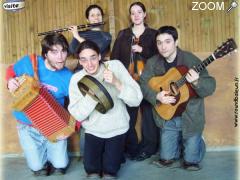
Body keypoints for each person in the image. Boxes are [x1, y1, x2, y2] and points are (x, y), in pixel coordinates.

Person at [139, 26, 216, 170]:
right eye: (159, 42)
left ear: (176, 42)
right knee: (166, 160)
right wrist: (157, 96)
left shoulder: (190, 59)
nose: (163, 46)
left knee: (191, 163)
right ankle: (179, 145)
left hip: (190, 118)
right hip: (167, 117)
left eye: (167, 41)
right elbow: (143, 83)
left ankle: (198, 142)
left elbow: (211, 86)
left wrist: (197, 82)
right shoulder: (153, 62)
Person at [68, 40, 143, 179]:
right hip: (93, 130)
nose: (89, 64)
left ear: (100, 56)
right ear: (79, 61)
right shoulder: (77, 79)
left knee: (110, 171)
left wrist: (116, 82)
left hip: (117, 129)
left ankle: (113, 161)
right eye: (83, 60)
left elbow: (137, 99)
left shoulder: (115, 66)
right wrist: (92, 95)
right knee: (92, 171)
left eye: (93, 57)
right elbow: (77, 114)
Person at [6, 33, 73, 176]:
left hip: (54, 125)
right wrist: (9, 81)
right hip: (27, 125)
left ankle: (51, 155)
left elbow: (75, 105)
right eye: (54, 52)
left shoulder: (68, 77)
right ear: (45, 54)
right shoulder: (30, 62)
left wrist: (70, 128)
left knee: (61, 165)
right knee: (37, 169)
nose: (60, 57)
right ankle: (41, 159)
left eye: (63, 51)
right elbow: (10, 70)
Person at [110, 1, 159, 161]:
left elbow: (160, 57)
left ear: (145, 14)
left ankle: (148, 148)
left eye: (139, 12)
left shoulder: (153, 34)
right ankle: (130, 148)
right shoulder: (123, 34)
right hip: (127, 82)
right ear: (130, 16)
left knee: (148, 117)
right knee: (127, 116)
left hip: (148, 81)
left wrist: (143, 50)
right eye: (133, 13)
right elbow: (114, 58)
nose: (136, 15)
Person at [69, 4, 112, 69]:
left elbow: (94, 50)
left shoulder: (107, 36)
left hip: (97, 69)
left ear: (102, 17)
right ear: (87, 20)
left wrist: (77, 37)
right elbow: (72, 50)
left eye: (98, 15)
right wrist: (76, 36)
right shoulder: (79, 33)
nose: (96, 18)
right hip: (81, 69)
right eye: (92, 15)